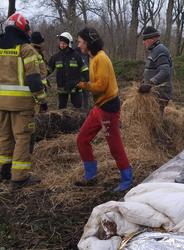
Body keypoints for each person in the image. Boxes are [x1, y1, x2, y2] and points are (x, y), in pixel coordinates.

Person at [75, 27, 133, 192]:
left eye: (80, 42)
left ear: (88, 42)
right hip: (99, 106)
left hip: (108, 107)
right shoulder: (92, 57)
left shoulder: (101, 58)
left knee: (114, 144)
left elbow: (101, 86)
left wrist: (82, 85)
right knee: (82, 139)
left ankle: (127, 177)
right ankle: (91, 175)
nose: (78, 45)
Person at [0, 13, 47, 188]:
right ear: (22, 28)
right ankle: (19, 177)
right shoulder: (26, 49)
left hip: (1, 103)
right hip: (21, 104)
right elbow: (34, 80)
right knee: (22, 138)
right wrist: (42, 100)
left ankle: (4, 171)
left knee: (4, 136)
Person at [48, 32, 89, 109]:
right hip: (62, 89)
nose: (62, 45)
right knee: (62, 110)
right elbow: (48, 70)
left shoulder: (76, 56)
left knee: (78, 110)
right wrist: (41, 78)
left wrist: (81, 82)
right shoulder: (56, 57)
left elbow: (85, 71)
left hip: (76, 88)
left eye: (64, 43)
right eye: (61, 43)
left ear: (69, 44)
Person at [138, 26, 173, 114]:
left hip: (159, 93)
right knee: (151, 117)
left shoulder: (160, 50)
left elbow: (165, 71)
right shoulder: (154, 51)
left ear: (152, 39)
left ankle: (158, 128)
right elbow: (152, 70)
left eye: (145, 39)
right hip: (154, 92)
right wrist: (144, 83)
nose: (143, 42)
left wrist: (150, 83)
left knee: (155, 118)